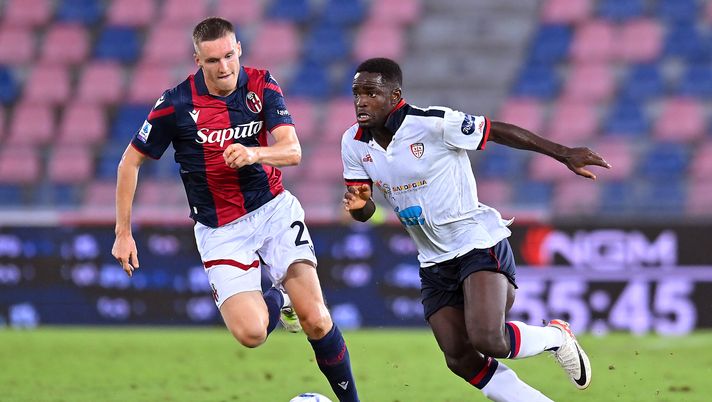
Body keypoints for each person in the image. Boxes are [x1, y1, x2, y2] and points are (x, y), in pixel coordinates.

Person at [111, 17, 359, 402]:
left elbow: (292, 150)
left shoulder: (262, 84)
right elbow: (130, 162)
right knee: (252, 334)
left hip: (273, 210)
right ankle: (279, 298)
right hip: (220, 229)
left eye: (229, 56)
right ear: (197, 60)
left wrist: (254, 153)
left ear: (239, 48)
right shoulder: (176, 103)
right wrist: (123, 232)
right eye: (213, 61)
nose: (224, 67)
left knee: (317, 319)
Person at [342, 58, 609, 401]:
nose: (361, 101)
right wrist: (359, 206)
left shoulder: (433, 123)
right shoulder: (352, 143)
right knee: (458, 356)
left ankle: (557, 337)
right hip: (433, 260)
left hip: (475, 241)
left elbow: (495, 130)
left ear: (395, 95)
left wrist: (563, 153)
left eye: (371, 92)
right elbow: (365, 208)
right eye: (357, 93)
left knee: (489, 339)